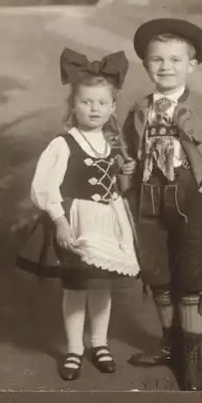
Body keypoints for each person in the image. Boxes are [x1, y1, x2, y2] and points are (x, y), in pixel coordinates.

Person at [120, 18, 202, 390]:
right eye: (157, 59)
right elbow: (128, 155)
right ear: (146, 65)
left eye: (174, 59)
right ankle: (169, 344)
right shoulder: (138, 109)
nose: (165, 66)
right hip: (149, 199)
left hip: (192, 198)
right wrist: (127, 171)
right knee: (156, 272)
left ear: (191, 64)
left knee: (190, 277)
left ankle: (190, 356)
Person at [29, 47, 140, 381]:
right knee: (76, 288)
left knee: (102, 287)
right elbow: (43, 186)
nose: (94, 109)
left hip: (108, 222)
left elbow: (118, 187)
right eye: (86, 102)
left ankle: (99, 342)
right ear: (73, 106)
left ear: (112, 108)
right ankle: (75, 348)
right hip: (79, 224)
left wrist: (126, 173)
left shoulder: (112, 143)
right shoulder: (64, 143)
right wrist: (59, 221)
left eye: (102, 103)